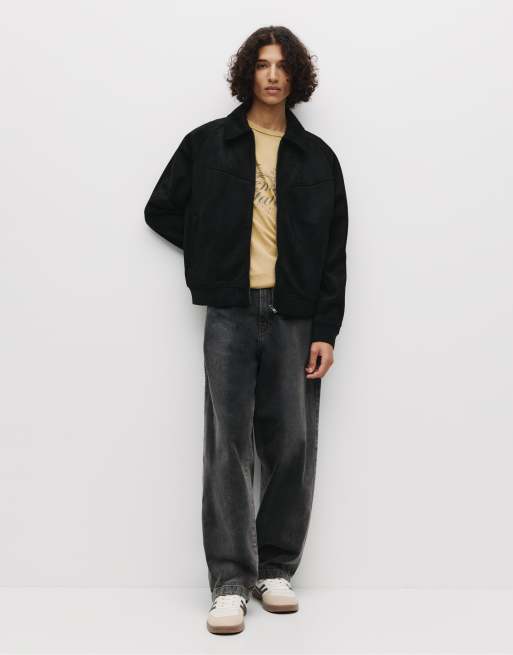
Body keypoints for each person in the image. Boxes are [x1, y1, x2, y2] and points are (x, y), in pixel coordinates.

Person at [144, 25, 349, 635]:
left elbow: (334, 251)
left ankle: (276, 569)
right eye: (262, 64)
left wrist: (327, 329)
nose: (273, 75)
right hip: (231, 312)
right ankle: (230, 582)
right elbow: (161, 209)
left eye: (283, 65)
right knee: (228, 446)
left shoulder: (317, 158)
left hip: (296, 315)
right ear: (248, 74)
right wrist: (213, 258)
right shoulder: (209, 144)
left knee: (292, 443)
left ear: (296, 76)